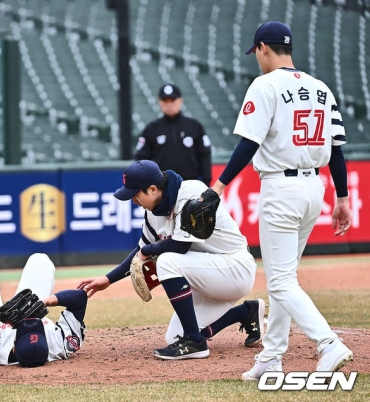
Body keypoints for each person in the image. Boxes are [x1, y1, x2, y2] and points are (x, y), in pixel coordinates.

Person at [211, 21, 353, 381]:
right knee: (283, 278)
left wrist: (220, 185)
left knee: (280, 283)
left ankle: (328, 343)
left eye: (256, 52)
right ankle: (271, 357)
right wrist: (343, 197)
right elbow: (336, 148)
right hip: (314, 189)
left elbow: (248, 144)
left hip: (281, 189)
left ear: (262, 48)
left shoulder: (265, 85)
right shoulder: (321, 88)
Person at [77, 160, 261, 360]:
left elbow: (179, 246)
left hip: (235, 268)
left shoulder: (191, 194)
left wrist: (147, 251)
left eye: (135, 194)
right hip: (208, 274)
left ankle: (195, 343)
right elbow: (141, 249)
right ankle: (246, 312)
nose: (133, 201)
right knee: (174, 336)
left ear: (153, 189)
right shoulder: (152, 213)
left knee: (167, 261)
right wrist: (108, 279)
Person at [134, 84, 213, 186]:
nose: (169, 104)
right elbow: (141, 158)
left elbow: (204, 154)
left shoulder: (194, 126)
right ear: (159, 102)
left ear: (180, 100)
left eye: (172, 100)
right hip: (162, 187)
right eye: (165, 101)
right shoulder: (152, 128)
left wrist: (206, 182)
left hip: (190, 184)